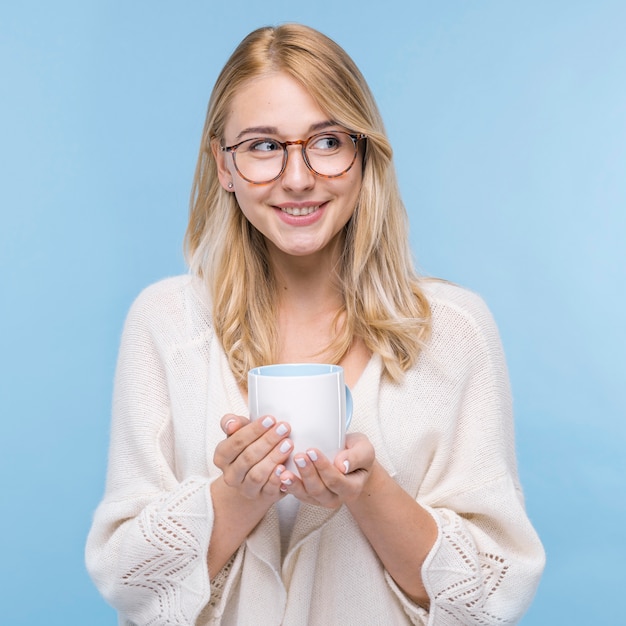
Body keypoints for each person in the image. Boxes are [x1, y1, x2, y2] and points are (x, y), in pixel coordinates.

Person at [85, 23, 545, 626]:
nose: (298, 178)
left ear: (363, 154)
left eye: (326, 141)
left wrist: (370, 490)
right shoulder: (167, 324)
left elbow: (494, 594)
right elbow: (124, 577)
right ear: (222, 165)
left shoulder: (451, 331)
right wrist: (237, 494)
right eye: (263, 146)